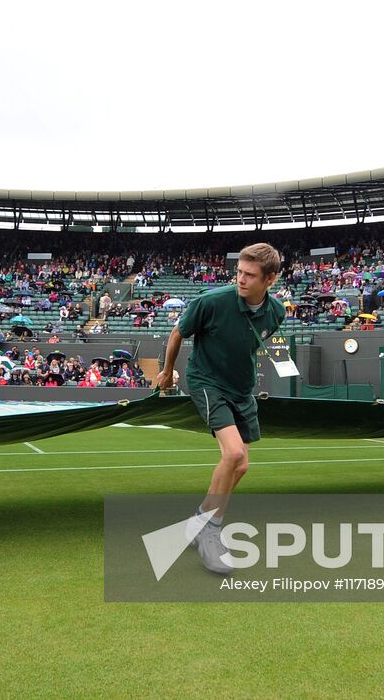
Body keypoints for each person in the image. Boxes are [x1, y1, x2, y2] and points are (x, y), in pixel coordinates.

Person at [156, 243, 286, 575]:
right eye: (239, 272)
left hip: (242, 390)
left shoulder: (277, 313)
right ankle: (210, 532)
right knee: (232, 454)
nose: (240, 279)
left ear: (269, 280)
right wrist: (168, 371)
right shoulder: (210, 302)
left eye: (250, 275)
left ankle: (199, 521)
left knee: (240, 466)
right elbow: (177, 333)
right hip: (206, 381)